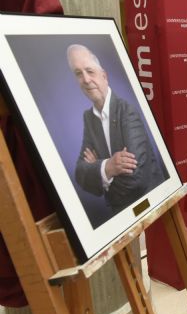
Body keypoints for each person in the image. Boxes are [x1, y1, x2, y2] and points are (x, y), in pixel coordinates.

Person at [68, 44, 165, 220]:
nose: (86, 79)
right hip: (121, 216)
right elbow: (80, 174)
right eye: (78, 73)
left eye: (90, 71)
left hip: (151, 212)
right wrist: (108, 166)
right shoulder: (88, 117)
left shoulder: (126, 111)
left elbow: (136, 178)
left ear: (104, 76)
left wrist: (97, 166)